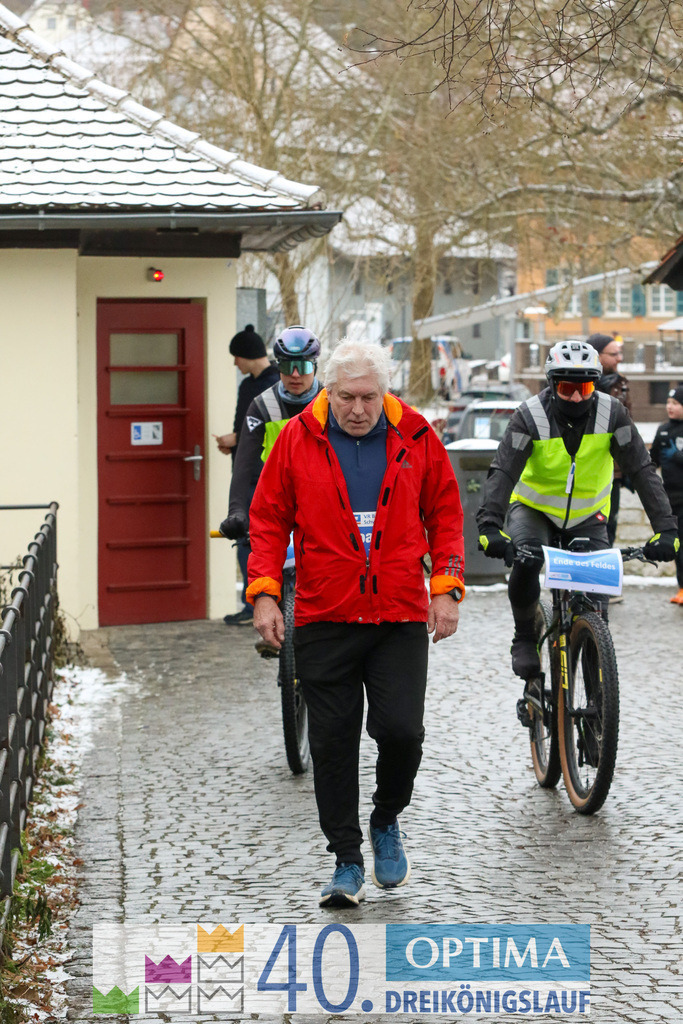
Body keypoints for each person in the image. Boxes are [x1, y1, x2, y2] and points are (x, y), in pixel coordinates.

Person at [246, 340, 465, 907]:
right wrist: (266, 594)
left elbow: (445, 512)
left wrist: (445, 588)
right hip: (324, 614)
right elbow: (268, 520)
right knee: (334, 744)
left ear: (385, 392)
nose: (358, 408)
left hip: (396, 613)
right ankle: (346, 861)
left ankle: (386, 818)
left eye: (369, 396)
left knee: (401, 732)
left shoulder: (416, 434)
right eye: (346, 396)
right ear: (328, 391)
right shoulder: (298, 439)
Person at [476, 339, 679, 680]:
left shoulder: (612, 413)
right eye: (567, 387)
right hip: (533, 510)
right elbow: (504, 471)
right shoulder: (530, 415)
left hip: (588, 518)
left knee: (596, 608)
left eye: (584, 386)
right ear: (552, 384)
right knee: (527, 560)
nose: (576, 397)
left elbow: (642, 470)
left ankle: (596, 692)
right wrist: (490, 526)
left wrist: (666, 527)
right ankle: (525, 636)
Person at [219, 326, 324, 626]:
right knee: (263, 559)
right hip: (276, 498)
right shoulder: (262, 405)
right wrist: (236, 511)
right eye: (286, 366)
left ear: (314, 366)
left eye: (302, 366)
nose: (294, 375)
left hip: (322, 498)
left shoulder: (334, 402)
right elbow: (243, 465)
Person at [216, 324, 280, 625]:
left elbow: (268, 432)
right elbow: (247, 429)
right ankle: (254, 602)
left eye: (236, 357)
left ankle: (259, 604)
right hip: (246, 473)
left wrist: (236, 440)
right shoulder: (248, 386)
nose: (234, 363)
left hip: (265, 475)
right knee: (246, 540)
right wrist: (235, 443)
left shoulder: (278, 385)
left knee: (255, 542)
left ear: (247, 355)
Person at [587, 332, 632, 547]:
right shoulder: (580, 384)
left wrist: (628, 468)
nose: (619, 358)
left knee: (609, 525)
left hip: (612, 471)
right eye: (614, 354)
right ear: (597, 355)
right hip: (584, 469)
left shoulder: (620, 384)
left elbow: (627, 430)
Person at [650, 386, 683, 605]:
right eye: (669, 403)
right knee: (678, 544)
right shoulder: (663, 430)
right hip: (672, 499)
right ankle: (682, 587)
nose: (670, 407)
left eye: (676, 403)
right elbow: (651, 462)